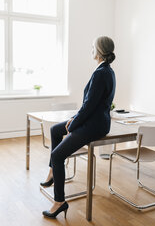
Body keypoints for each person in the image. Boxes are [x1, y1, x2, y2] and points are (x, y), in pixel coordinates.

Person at [41, 36, 116, 219]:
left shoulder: (101, 73)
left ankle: (60, 202)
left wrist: (74, 124)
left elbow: (90, 105)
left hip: (94, 125)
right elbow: (91, 104)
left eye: (93, 47)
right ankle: (53, 172)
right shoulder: (107, 70)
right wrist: (74, 118)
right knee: (55, 130)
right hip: (96, 120)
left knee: (57, 155)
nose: (91, 49)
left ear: (98, 51)